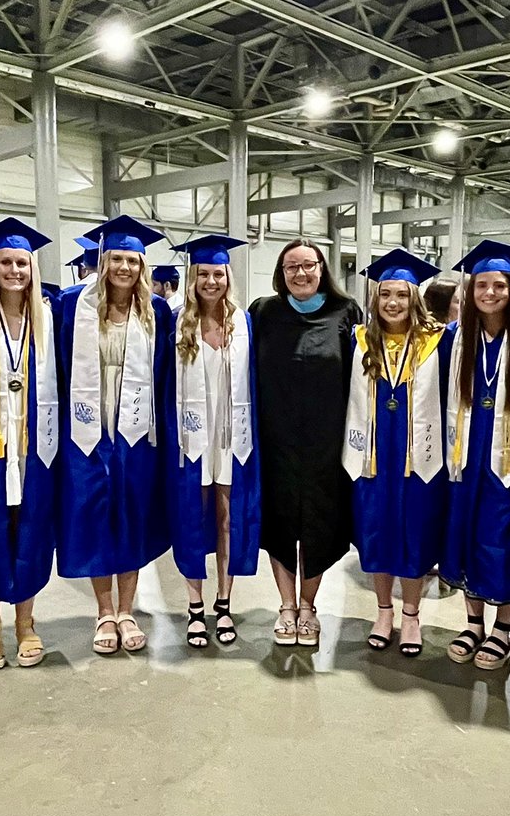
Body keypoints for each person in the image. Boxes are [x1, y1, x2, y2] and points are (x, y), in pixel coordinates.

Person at [56, 215, 173, 655]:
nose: (125, 267)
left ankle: (127, 609)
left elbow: (165, 376)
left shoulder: (157, 311)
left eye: (133, 259)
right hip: (87, 429)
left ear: (143, 266)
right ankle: (104, 610)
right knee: (93, 516)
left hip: (136, 431)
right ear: (103, 261)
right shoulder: (71, 305)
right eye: (117, 258)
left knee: (132, 516)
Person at [249, 240, 361, 646]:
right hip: (275, 437)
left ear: (321, 268)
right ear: (281, 272)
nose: (300, 273)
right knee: (279, 522)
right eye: (291, 266)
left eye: (308, 265)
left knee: (319, 522)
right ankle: (286, 606)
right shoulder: (264, 311)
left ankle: (309, 606)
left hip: (327, 442)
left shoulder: (344, 311)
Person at [343, 248, 452, 656]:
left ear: (415, 299)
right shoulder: (358, 340)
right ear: (375, 298)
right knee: (377, 534)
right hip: (371, 456)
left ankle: (411, 615)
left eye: (402, 295)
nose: (392, 302)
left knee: (415, 535)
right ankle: (383, 611)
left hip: (418, 458)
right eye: (385, 294)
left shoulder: (437, 341)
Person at [0, 218, 59, 670]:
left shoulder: (46, 317)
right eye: (6, 262)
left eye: (22, 262)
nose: (15, 270)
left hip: (33, 446)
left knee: (29, 533)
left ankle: (26, 624)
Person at [442, 241, 510, 669]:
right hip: (465, 456)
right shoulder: (456, 339)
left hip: (509, 461)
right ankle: (473, 621)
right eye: (482, 285)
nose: (490, 293)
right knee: (464, 534)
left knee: (500, 539)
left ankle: (503, 627)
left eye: (499, 285)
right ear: (471, 290)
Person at [167, 235, 261, 647]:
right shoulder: (175, 321)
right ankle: (193, 605)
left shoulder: (242, 322)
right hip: (190, 440)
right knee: (192, 518)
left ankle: (223, 603)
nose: (210, 281)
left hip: (232, 438)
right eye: (203, 273)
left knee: (227, 518)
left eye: (217, 274)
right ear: (192, 278)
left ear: (228, 276)